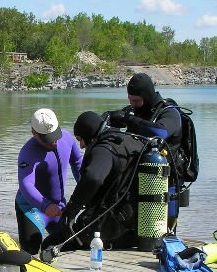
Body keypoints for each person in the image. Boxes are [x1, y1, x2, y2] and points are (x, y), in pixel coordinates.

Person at [55, 111, 148, 250]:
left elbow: (93, 178)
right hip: (136, 225)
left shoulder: (104, 149)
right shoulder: (128, 140)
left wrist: (72, 209)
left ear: (90, 133)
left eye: (80, 139)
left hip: (111, 226)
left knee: (51, 244)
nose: (81, 145)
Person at [106, 72, 183, 231]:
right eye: (130, 100)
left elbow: (161, 133)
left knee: (158, 230)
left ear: (147, 97)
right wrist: (107, 118)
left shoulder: (169, 113)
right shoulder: (136, 111)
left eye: (136, 101)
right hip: (140, 179)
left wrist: (128, 119)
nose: (132, 104)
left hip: (163, 182)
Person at [15, 108, 83, 254]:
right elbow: (26, 184)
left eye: (55, 135)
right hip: (32, 208)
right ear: (34, 133)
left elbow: (78, 163)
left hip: (59, 206)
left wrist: (86, 191)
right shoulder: (28, 152)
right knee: (30, 251)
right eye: (48, 139)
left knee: (71, 245)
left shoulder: (67, 139)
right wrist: (45, 205)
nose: (54, 142)